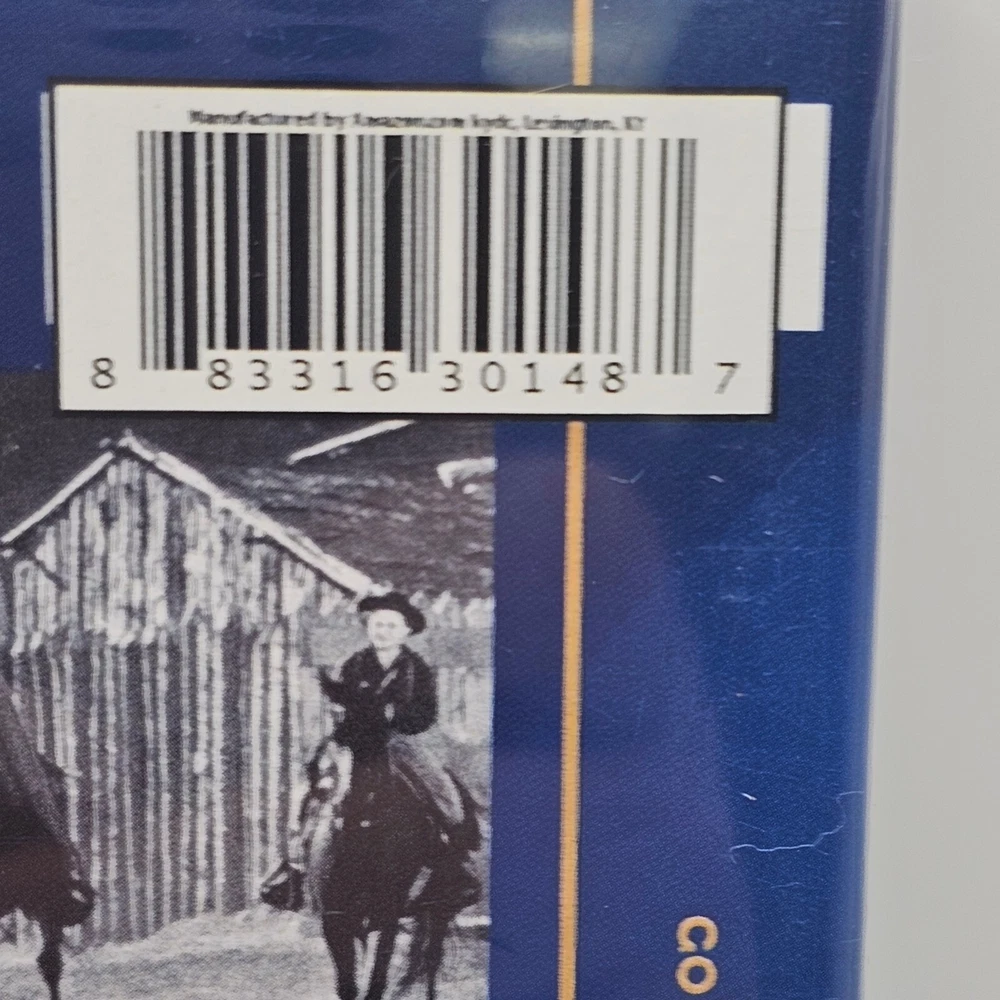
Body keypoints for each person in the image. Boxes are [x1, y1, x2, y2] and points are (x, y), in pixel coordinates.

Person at [261, 591, 480, 912]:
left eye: (391, 626)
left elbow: (426, 714)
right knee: (309, 788)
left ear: (406, 632)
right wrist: (338, 701)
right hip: (354, 740)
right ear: (369, 628)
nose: (383, 632)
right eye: (378, 625)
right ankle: (295, 866)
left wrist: (396, 716)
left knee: (439, 784)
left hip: (398, 741)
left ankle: (453, 865)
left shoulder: (416, 669)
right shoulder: (355, 664)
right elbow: (341, 700)